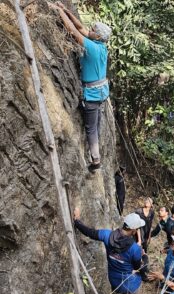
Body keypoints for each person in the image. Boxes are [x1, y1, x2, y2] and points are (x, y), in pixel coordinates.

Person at [49, 2, 112, 172]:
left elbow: (73, 31)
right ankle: (96, 149)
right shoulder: (100, 46)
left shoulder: (91, 47)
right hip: (101, 93)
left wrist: (58, 12)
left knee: (91, 129)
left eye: (93, 30)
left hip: (92, 95)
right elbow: (80, 27)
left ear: (97, 36)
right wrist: (66, 10)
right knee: (96, 126)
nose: (89, 30)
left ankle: (96, 160)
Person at [73, 208, 144, 294]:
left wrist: (77, 221)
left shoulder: (107, 235)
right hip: (131, 285)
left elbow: (89, 232)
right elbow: (136, 267)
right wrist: (143, 257)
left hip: (115, 283)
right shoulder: (135, 248)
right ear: (133, 230)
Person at [135, 197, 155, 281]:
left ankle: (144, 268)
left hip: (146, 235)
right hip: (138, 234)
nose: (147, 202)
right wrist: (139, 239)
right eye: (146, 200)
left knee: (145, 252)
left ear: (151, 204)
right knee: (139, 252)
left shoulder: (151, 212)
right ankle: (141, 274)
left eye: (149, 201)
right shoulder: (139, 211)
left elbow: (150, 225)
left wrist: (149, 235)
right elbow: (136, 226)